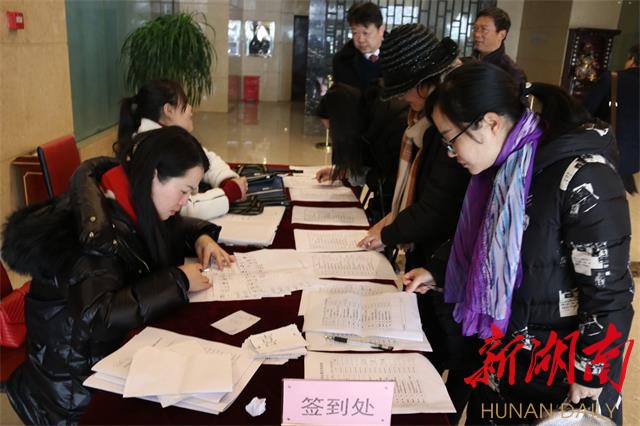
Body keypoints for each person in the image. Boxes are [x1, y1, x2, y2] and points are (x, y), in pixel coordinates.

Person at [421, 62, 633, 424]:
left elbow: (609, 290)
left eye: (451, 139)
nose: (450, 153)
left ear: (490, 123)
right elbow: (483, 242)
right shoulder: (508, 167)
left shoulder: (583, 176)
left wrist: (591, 370)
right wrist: (437, 270)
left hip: (558, 381)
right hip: (501, 365)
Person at [1, 127, 234, 424]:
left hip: (99, 356)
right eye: (184, 191)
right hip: (72, 387)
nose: (186, 201)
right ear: (154, 175)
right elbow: (99, 315)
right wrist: (179, 281)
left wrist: (200, 237)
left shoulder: (128, 194)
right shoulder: (96, 235)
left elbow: (165, 230)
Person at [355, 24, 474, 423]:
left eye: (405, 89)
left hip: (452, 262)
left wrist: (390, 231)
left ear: (427, 82)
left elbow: (439, 207)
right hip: (434, 258)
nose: (401, 98)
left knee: (454, 355)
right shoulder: (431, 119)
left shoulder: (454, 123)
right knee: (432, 344)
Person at [116, 79, 248, 220]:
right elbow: (183, 207)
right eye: (185, 105)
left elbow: (205, 160)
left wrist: (226, 179)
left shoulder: (168, 139)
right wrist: (229, 193)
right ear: (168, 110)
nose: (191, 109)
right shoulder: (155, 147)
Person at [315, 83, 408, 222]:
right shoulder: (367, 115)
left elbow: (399, 182)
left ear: (344, 125)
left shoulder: (392, 125)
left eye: (334, 131)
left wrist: (365, 176)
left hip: (399, 211)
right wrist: (346, 171)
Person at [585, 43, 639, 194]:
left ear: (632, 59)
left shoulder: (613, 78)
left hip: (607, 151)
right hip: (634, 159)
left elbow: (587, 110)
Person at [332, 1, 385, 92]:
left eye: (365, 33)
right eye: (355, 33)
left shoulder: (399, 55)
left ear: (381, 30)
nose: (360, 39)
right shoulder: (342, 61)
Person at [471, 7, 527, 86]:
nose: (476, 34)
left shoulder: (512, 74)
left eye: (484, 29)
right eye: (475, 28)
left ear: (502, 35)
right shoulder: (469, 62)